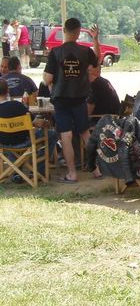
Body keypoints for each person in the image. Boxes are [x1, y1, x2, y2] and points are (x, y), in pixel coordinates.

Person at [43, 18, 101, 183]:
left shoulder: (56, 52)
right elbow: (97, 60)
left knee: (66, 136)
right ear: (78, 32)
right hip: (80, 98)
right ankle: (96, 171)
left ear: (64, 30)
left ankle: (72, 174)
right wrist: (95, 39)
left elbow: (48, 78)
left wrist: (45, 78)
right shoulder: (85, 51)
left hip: (61, 99)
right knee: (85, 133)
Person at [0, 79, 58, 183]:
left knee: (9, 137)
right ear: (7, 90)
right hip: (24, 141)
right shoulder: (17, 105)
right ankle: (39, 171)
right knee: (52, 134)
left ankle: (16, 173)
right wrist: (46, 123)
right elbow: (37, 123)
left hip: (3, 143)